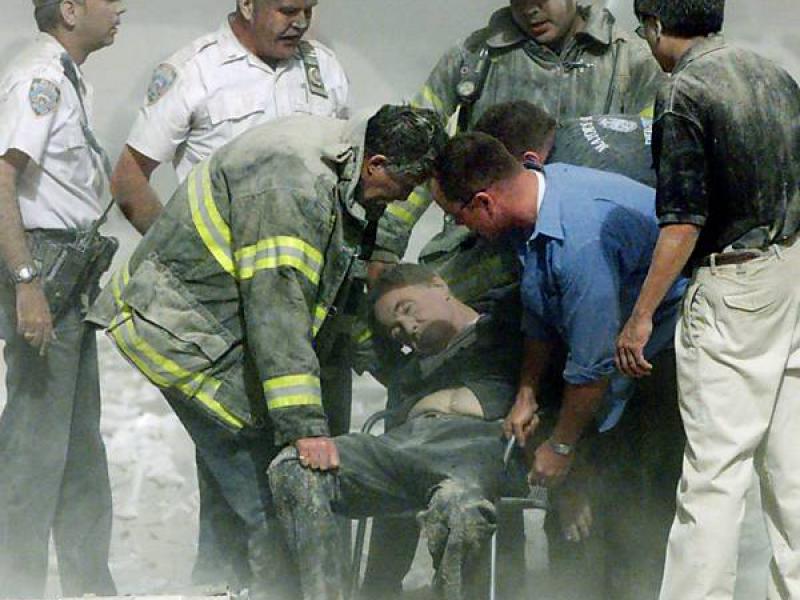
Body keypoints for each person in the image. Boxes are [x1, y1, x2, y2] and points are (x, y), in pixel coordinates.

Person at [87, 105, 446, 598]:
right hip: (185, 336)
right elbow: (278, 308)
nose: (403, 198)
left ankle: (225, 587)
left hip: (219, 335)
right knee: (272, 501)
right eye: (404, 185)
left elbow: (331, 294)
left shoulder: (341, 162)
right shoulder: (292, 184)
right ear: (376, 164)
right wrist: (305, 426)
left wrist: (393, 367)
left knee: (254, 492)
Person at [109, 0, 349, 582]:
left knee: (314, 452)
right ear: (246, 3)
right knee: (234, 464)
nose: (300, 21)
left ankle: (300, 584)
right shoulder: (194, 70)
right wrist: (190, 262)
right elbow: (129, 178)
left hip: (302, 301)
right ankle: (226, 583)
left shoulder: (325, 69)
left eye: (309, 8)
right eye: (286, 8)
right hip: (228, 311)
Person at [433, 132, 687, 599]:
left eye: (457, 215)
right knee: (573, 505)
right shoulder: (531, 208)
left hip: (664, 354)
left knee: (633, 504)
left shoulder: (579, 239)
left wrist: (563, 447)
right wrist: (526, 394)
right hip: (610, 352)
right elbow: (539, 309)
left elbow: (593, 364)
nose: (461, 227)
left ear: (484, 202)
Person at [615, 1, 800, 598]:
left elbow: (683, 221)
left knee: (715, 475)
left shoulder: (682, 93)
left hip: (735, 287)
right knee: (794, 473)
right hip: (793, 271)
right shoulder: (772, 73)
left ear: (654, 26)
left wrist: (641, 316)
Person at [269, 263, 548, 600]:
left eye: (407, 308)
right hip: (407, 447)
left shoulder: (508, 332)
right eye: (395, 331)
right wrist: (380, 587)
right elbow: (393, 479)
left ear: (439, 285)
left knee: (459, 507)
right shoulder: (407, 374)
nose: (407, 328)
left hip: (477, 453)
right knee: (293, 468)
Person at [375, 0, 663, 263]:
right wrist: (384, 246)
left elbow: (653, 165)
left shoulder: (633, 64)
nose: (530, 10)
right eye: (519, 1)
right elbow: (415, 152)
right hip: (481, 249)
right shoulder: (473, 59)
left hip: (589, 248)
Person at [0, 0, 125, 597]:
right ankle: (15, 584)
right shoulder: (40, 78)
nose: (120, 7)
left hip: (69, 274)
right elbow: (1, 177)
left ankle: (88, 585)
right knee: (34, 445)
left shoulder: (68, 77)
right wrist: (27, 281)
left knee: (78, 443)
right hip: (44, 268)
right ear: (70, 10)